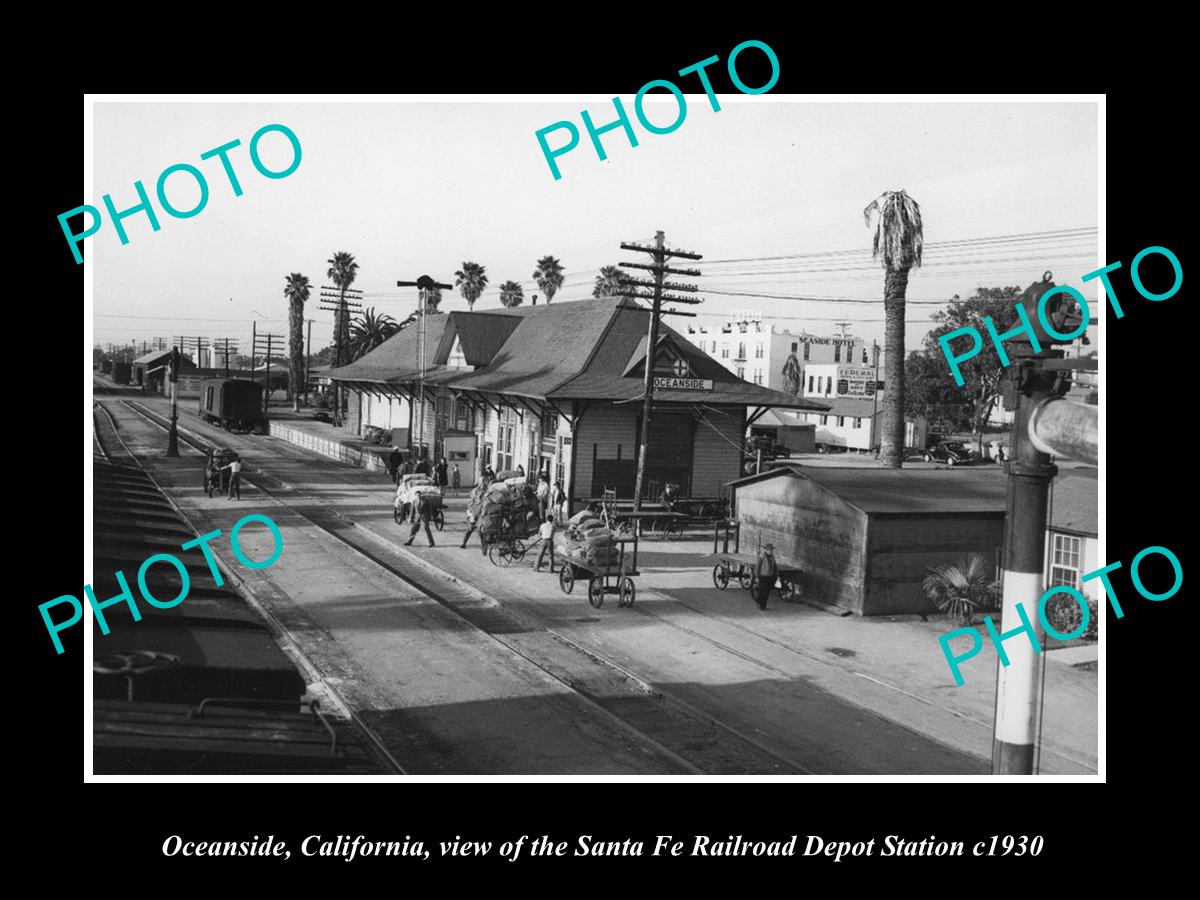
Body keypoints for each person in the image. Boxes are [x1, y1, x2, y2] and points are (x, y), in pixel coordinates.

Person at [754, 543, 778, 610]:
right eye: (770, 550)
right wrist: (757, 577)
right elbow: (757, 567)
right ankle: (761, 604)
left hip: (770, 576)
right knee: (763, 591)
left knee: (767, 592)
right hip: (763, 576)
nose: (771, 551)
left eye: (772, 550)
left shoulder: (772, 557)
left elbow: (775, 567)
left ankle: (763, 605)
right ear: (766, 550)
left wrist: (777, 575)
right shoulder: (762, 557)